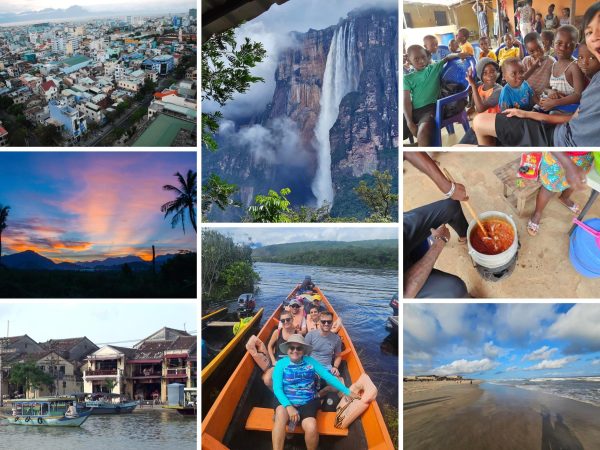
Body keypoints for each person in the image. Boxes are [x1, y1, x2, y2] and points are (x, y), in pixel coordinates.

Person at [471, 1, 600, 147]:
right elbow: (575, 115)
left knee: (480, 123)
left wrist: (545, 109)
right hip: (553, 119)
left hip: (557, 135)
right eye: (590, 32)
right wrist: (535, 110)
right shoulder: (591, 78)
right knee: (479, 126)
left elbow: (575, 102)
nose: (595, 37)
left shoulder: (566, 65)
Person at [271, 334, 357, 450]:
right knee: (281, 413)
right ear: (287, 349)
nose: (295, 351)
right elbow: (277, 388)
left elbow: (327, 376)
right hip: (286, 400)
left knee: (311, 426)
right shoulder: (281, 364)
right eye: (292, 348)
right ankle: (287, 436)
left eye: (299, 348)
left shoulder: (310, 361)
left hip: (308, 401)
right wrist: (289, 407)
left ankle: (291, 432)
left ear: (303, 350)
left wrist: (346, 391)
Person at [403, 152, 469, 298]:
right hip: (403, 284)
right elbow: (407, 291)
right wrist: (439, 243)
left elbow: (408, 152)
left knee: (451, 206)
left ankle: (466, 236)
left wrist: (448, 188)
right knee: (457, 288)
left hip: (401, 235)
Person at [403, 45, 468, 146]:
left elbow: (447, 58)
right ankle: (416, 147)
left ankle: (420, 148)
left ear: (427, 56)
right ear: (409, 60)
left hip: (430, 109)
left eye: (423, 57)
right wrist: (409, 122)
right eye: (416, 59)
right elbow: (406, 101)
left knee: (423, 132)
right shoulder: (407, 78)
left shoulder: (434, 68)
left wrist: (459, 54)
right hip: (413, 110)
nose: (421, 61)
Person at [527, 152, 593, 236]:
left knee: (574, 180)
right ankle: (537, 213)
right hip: (559, 154)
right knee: (549, 185)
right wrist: (569, 165)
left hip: (584, 156)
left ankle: (564, 198)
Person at [540, 25, 584, 113]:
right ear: (553, 44)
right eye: (559, 43)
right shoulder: (552, 66)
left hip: (568, 108)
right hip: (552, 105)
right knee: (536, 107)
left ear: (575, 47)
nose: (563, 48)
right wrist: (550, 91)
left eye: (569, 45)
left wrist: (555, 102)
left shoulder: (574, 67)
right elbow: (544, 87)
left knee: (551, 114)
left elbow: (578, 95)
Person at [460, 57, 502, 144]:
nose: (490, 75)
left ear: (497, 72)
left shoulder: (499, 90)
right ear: (480, 76)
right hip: (480, 125)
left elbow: (480, 108)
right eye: (485, 73)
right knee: (461, 145)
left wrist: (472, 85)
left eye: (492, 71)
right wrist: (471, 107)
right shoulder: (479, 86)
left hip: (492, 127)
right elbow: (471, 96)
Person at [263, 311, 298, 389]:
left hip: (292, 362)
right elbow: (269, 346)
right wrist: (273, 361)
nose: (285, 322)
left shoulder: (297, 333)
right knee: (267, 380)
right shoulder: (277, 332)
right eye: (283, 320)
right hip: (278, 362)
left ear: (292, 319)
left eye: (288, 319)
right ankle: (277, 394)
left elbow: (300, 350)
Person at [305, 312, 342, 377]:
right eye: (323, 321)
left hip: (327, 368)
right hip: (310, 366)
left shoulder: (336, 339)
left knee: (337, 384)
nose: (326, 324)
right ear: (319, 322)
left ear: (332, 323)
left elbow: (338, 356)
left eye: (329, 322)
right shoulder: (310, 335)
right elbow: (304, 353)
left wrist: (335, 367)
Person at [523, 32, 555, 98]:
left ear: (543, 44)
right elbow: (520, 81)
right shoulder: (526, 61)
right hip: (526, 96)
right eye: (532, 51)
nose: (537, 53)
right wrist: (533, 68)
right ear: (527, 51)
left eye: (539, 48)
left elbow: (553, 84)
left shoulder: (551, 62)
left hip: (543, 97)